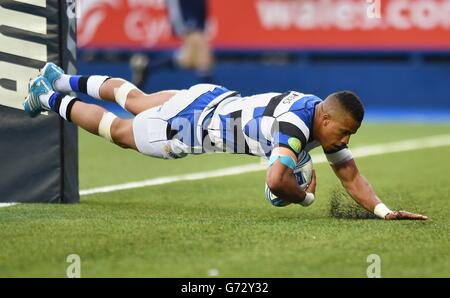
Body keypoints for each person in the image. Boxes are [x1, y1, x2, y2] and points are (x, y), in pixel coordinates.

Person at [23, 62, 428, 221]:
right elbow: (274, 182)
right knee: (119, 132)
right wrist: (303, 196)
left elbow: (350, 173)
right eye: (343, 132)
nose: (344, 140)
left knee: (137, 99)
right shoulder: (297, 128)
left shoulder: (315, 111)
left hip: (213, 97)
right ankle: (47, 96)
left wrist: (384, 211)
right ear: (325, 118)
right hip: (189, 127)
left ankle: (58, 78)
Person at [130, 0, 214, 89]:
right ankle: (213, 91)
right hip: (184, 4)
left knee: (188, 59)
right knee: (200, 44)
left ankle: (148, 66)